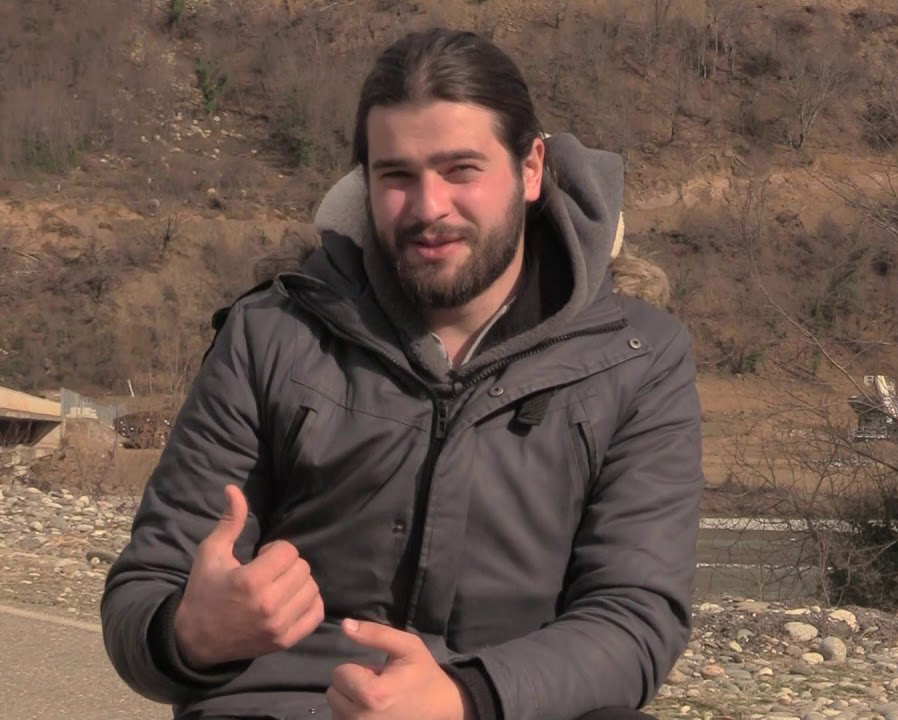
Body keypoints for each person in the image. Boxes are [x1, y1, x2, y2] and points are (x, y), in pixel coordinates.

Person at [101, 27, 704, 720]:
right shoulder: (271, 334)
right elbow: (144, 590)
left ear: (531, 168)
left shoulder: (639, 358)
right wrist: (189, 632)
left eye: (461, 170)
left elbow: (633, 617)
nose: (428, 208)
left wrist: (465, 697)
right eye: (397, 176)